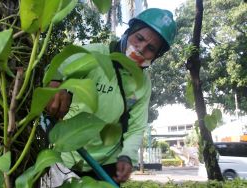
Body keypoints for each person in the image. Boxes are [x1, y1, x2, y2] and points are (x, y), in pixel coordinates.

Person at [46, 8, 177, 185]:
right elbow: (56, 69)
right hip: (66, 156)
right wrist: (55, 84)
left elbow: (136, 127)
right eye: (139, 38)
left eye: (151, 48)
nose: (140, 49)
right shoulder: (94, 54)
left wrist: (127, 157)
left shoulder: (143, 84)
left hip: (106, 166)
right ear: (128, 32)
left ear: (156, 56)